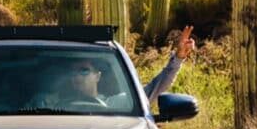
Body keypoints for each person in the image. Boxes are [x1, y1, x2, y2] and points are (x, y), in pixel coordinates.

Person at [67, 26, 196, 105]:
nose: (77, 77)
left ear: (97, 76)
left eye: (83, 71)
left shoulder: (119, 104)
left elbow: (156, 87)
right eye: (72, 73)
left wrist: (179, 57)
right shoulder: (54, 107)